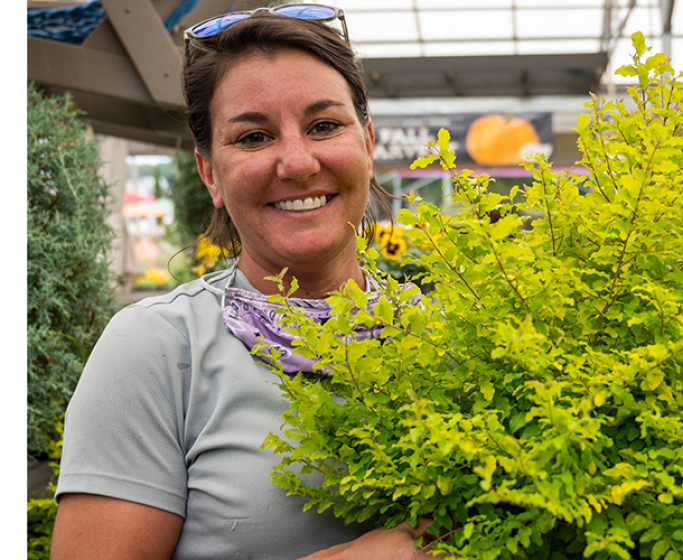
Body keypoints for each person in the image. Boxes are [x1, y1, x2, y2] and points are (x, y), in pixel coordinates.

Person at [50, 5, 438, 559]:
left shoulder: (450, 334)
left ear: (368, 145)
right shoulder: (158, 350)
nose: (298, 163)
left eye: (324, 125)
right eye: (254, 136)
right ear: (210, 173)